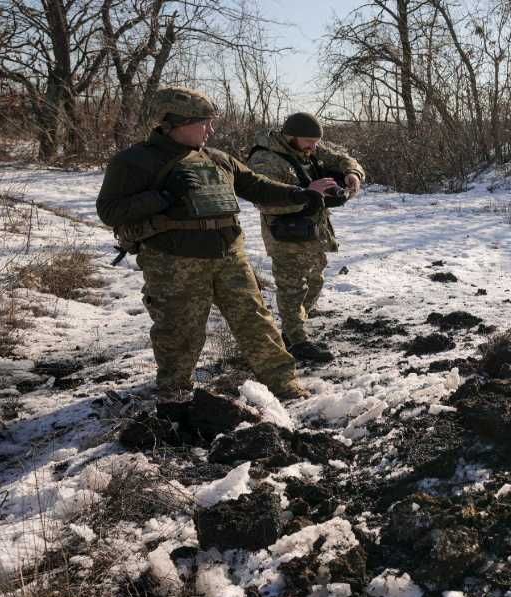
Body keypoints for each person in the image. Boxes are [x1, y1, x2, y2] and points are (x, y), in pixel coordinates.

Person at [96, 87, 336, 415]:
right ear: (174, 123)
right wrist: (164, 197)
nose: (210, 130)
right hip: (174, 261)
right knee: (179, 330)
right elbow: (110, 210)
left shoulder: (217, 158)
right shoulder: (135, 161)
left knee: (256, 321)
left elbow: (255, 185)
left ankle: (283, 382)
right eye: (204, 122)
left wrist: (300, 194)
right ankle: (175, 392)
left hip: (230, 255)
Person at [246, 112, 365, 364]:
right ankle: (296, 340)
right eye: (309, 142)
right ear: (290, 137)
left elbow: (342, 158)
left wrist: (352, 173)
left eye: (316, 142)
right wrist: (305, 193)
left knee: (315, 280)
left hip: (313, 231)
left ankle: (295, 328)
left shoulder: (308, 148)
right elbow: (264, 200)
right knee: (292, 288)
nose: (314, 148)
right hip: (286, 233)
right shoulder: (265, 159)